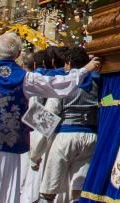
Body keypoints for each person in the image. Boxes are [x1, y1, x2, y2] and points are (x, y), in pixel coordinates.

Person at [0, 33, 101, 203]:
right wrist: (85, 70)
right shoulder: (25, 79)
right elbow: (58, 85)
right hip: (6, 148)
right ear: (17, 54)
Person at [38, 46, 100, 202]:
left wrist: (36, 152)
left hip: (64, 137)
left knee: (49, 188)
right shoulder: (96, 82)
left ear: (68, 63)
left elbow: (49, 114)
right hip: (90, 136)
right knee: (79, 187)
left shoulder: (65, 83)